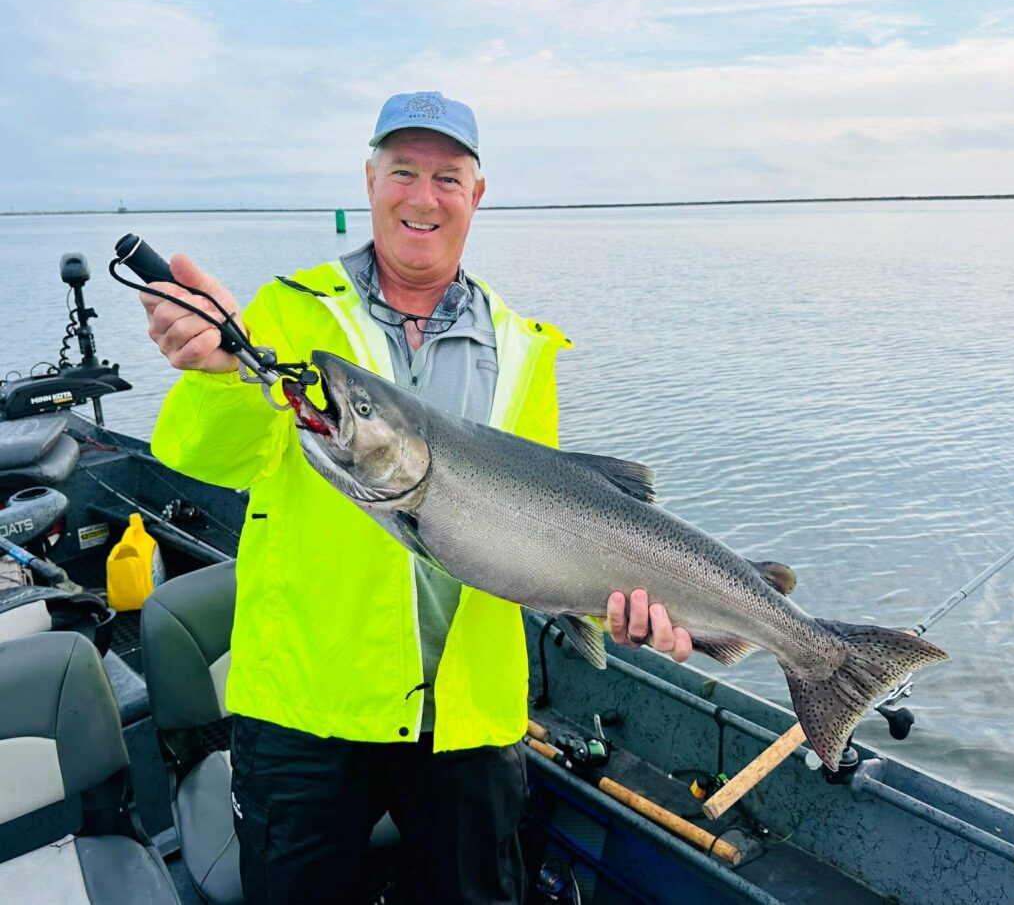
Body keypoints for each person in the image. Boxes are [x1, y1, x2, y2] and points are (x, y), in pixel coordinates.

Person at [141, 91, 692, 905]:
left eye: (447, 176)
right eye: (403, 171)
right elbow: (206, 456)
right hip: (307, 706)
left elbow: (550, 531)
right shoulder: (289, 312)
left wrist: (611, 600)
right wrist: (218, 374)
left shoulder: (523, 345)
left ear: (477, 193)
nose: (422, 196)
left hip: (469, 715)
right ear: (370, 181)